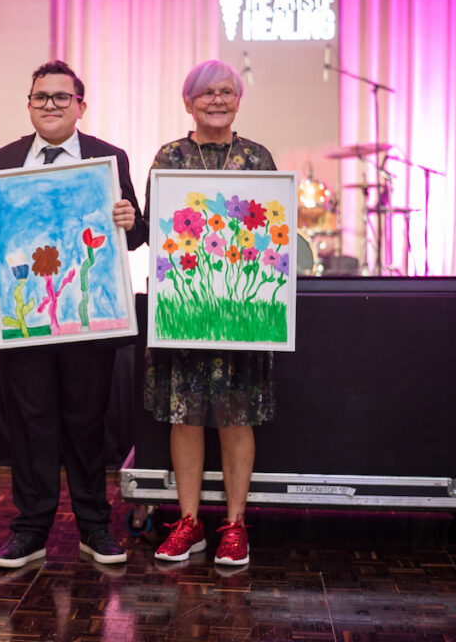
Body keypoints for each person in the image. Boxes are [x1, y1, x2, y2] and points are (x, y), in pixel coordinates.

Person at [0, 60, 148, 568]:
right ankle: (30, 530)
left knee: (85, 424)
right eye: (41, 97)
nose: (50, 104)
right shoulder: (2, 159)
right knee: (30, 425)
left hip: (89, 316)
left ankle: (94, 527)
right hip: (26, 317)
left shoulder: (108, 158)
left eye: (61, 97)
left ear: (80, 106)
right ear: (28, 105)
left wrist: (129, 218)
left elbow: (133, 235)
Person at [144, 60, 276, 567]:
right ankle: (189, 522)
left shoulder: (259, 157)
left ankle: (235, 525)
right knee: (186, 417)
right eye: (206, 93)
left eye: (226, 92)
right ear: (188, 102)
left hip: (242, 313)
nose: (217, 100)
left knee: (236, 417)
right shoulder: (169, 156)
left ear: (238, 100)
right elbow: (159, 235)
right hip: (185, 309)